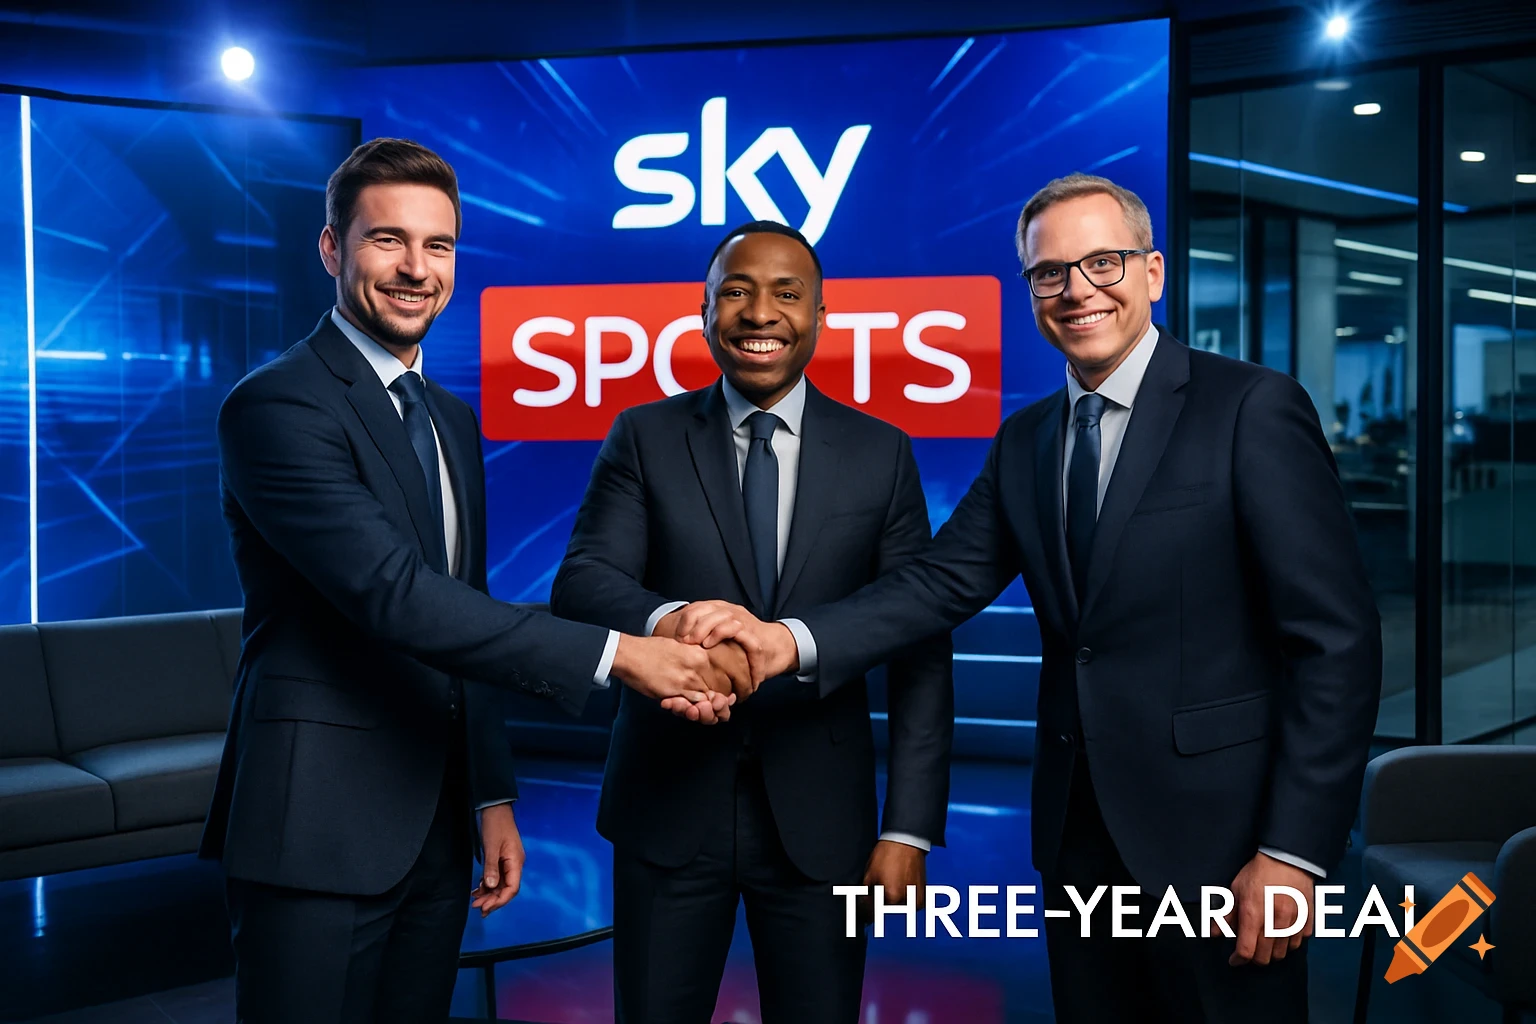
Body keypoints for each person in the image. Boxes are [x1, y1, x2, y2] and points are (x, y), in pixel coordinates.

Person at [672, 176, 1383, 1023]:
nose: (1078, 290)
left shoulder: (1251, 408)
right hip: (1079, 842)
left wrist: (1293, 850)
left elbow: (1336, 642)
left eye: (1103, 262)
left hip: (1225, 848)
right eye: (1051, 273)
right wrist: (786, 640)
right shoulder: (1027, 438)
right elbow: (938, 583)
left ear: (1153, 272)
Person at [202, 138, 733, 1024]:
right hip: (316, 824)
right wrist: (625, 655)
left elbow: (467, 610)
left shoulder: (447, 417)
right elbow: (396, 596)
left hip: (437, 825)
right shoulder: (276, 405)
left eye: (438, 245)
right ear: (331, 248)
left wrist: (491, 793)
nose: (417, 269)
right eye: (387, 240)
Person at [550, 221, 954, 1024]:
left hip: (823, 819)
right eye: (735, 292)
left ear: (820, 315)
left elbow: (918, 642)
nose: (759, 313)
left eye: (786, 294)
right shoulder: (644, 435)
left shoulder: (883, 453)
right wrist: (673, 622)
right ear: (704, 312)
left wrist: (909, 828)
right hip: (665, 805)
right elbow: (583, 581)